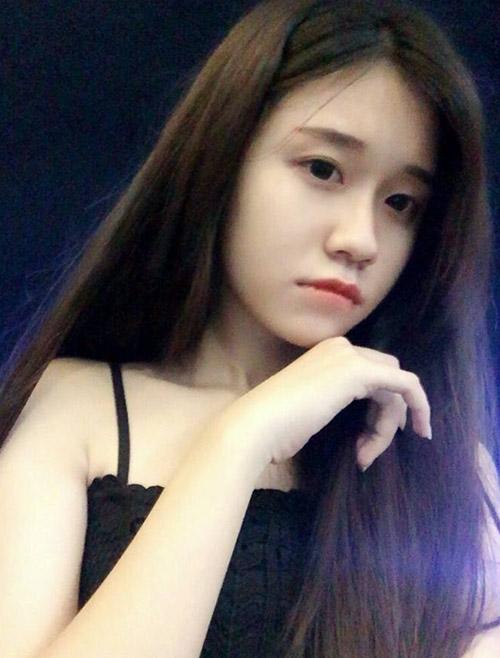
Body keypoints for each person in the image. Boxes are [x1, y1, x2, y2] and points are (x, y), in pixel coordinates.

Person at [0, 0, 499, 656]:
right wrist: (242, 438)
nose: (361, 240)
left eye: (400, 203)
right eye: (322, 169)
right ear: (223, 157)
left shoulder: (437, 461)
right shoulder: (75, 408)